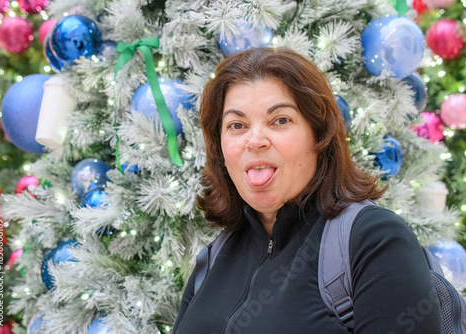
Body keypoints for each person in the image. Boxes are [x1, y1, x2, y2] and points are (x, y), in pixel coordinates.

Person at [173, 47, 441, 334]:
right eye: (237, 125)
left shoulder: (374, 239)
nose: (255, 140)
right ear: (221, 148)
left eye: (280, 120)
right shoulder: (215, 257)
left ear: (319, 136)